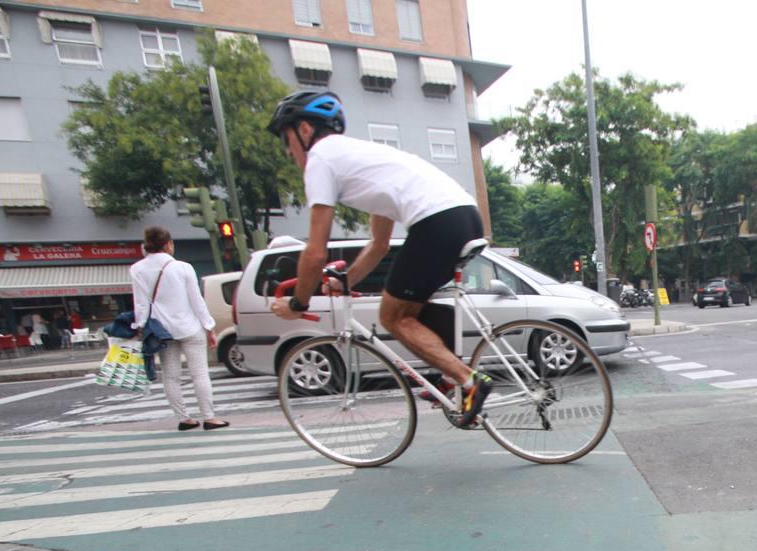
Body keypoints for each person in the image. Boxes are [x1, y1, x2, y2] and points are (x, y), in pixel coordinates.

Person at [265, 90, 492, 426]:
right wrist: (347, 281)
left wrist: (298, 304)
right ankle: (450, 375)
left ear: (304, 131)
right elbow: (380, 244)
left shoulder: (321, 160)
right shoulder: (361, 159)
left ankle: (469, 380)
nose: (288, 152)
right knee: (410, 305)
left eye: (287, 140)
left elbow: (315, 252)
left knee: (393, 317)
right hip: (464, 214)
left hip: (436, 221)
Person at [130, 226, 228, 431]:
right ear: (168, 245)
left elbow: (140, 303)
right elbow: (196, 300)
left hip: (161, 331)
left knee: (171, 375)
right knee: (199, 374)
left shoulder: (137, 269)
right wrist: (209, 326)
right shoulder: (183, 267)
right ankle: (209, 417)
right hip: (190, 328)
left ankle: (184, 418)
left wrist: (139, 326)